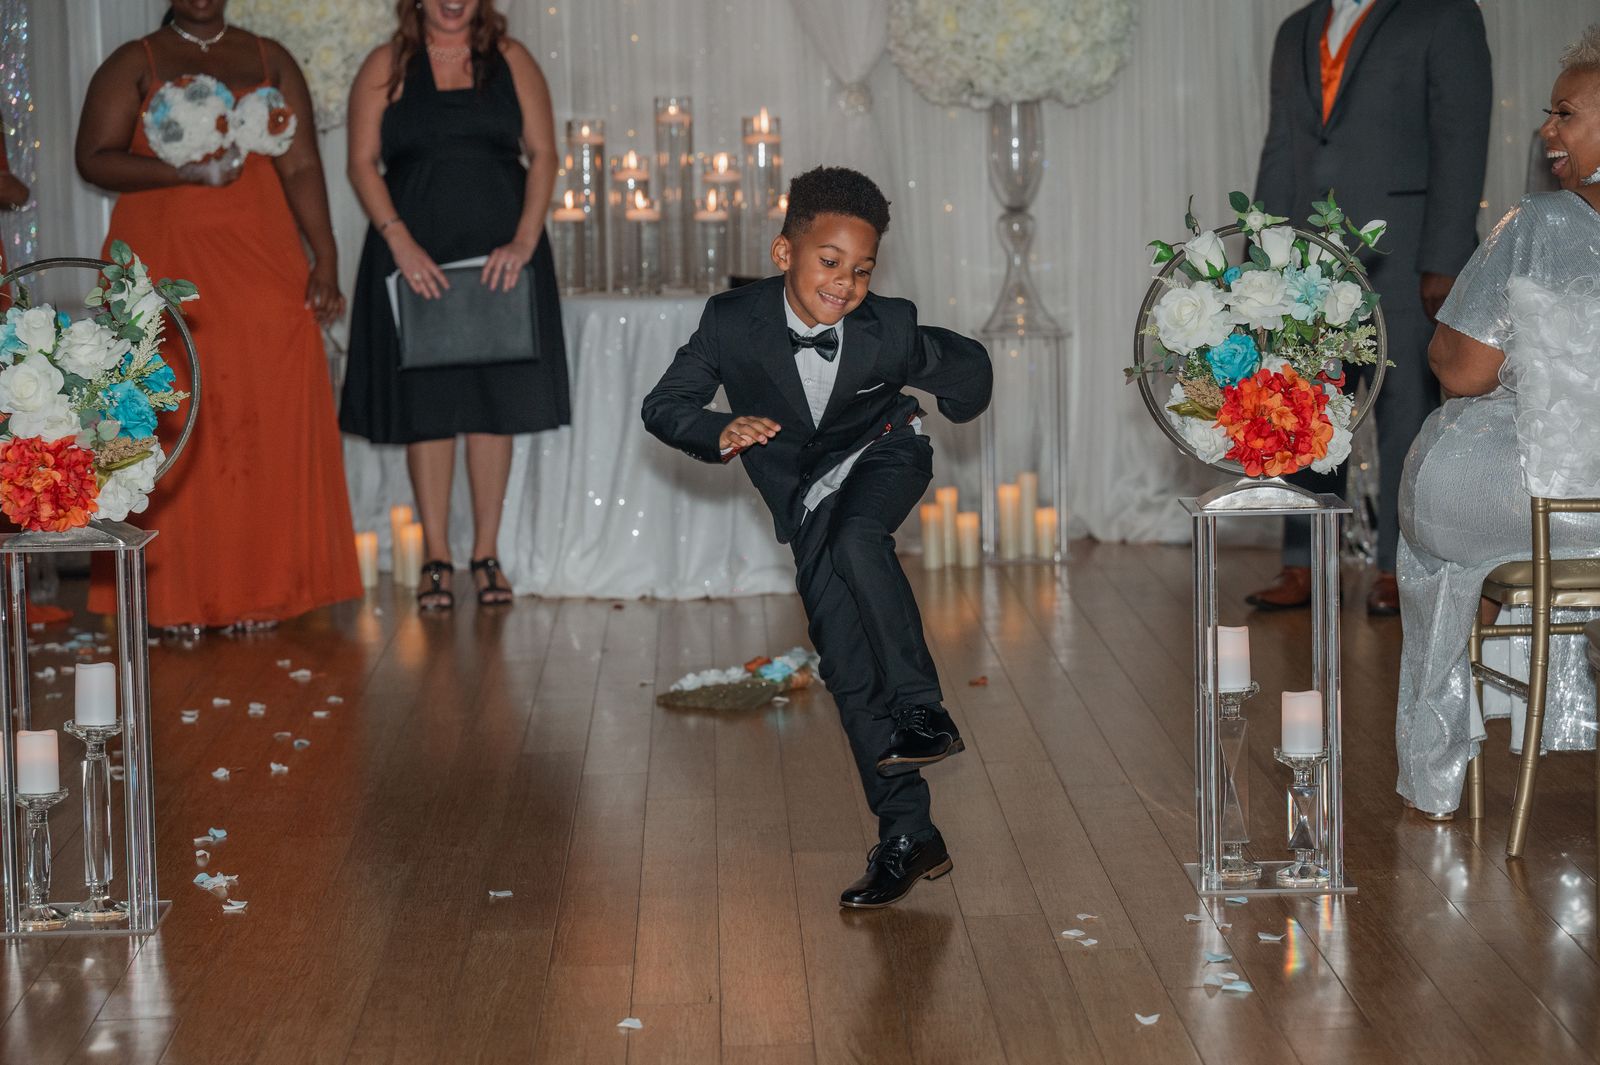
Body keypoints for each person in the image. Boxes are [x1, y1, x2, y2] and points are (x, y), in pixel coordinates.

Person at [642, 167, 993, 908]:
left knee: (860, 538)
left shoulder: (887, 328)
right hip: (807, 496)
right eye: (830, 262)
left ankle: (923, 708)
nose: (846, 283)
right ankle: (909, 834)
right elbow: (665, 404)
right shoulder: (731, 321)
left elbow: (968, 369)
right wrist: (718, 427)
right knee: (846, 667)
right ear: (784, 252)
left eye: (862, 270)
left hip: (885, 453)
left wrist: (961, 396)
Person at [74, 0, 360, 633]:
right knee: (166, 416)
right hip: (163, 261)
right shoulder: (135, 61)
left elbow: (302, 164)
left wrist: (327, 258)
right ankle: (172, 597)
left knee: (264, 411)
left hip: (263, 259)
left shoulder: (269, 58)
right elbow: (92, 157)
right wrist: (185, 170)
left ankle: (265, 589)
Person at [1395, 26, 1600, 819]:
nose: (1547, 130)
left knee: (1437, 507)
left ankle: (1441, 759)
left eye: (1566, 114)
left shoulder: (1538, 224)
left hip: (1552, 506)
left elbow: (1461, 369)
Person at [1249, 0, 1492, 616]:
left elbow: (1461, 137)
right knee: (1304, 407)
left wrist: (1445, 258)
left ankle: (1398, 564)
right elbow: (1282, 146)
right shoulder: (1296, 29)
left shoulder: (1444, 15)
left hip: (1405, 253)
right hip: (1308, 257)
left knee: (1406, 409)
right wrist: (1261, 258)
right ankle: (1305, 562)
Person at [341, 0, 569, 610]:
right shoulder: (386, 64)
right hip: (413, 252)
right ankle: (436, 558)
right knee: (429, 404)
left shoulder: (512, 59)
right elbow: (360, 163)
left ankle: (486, 555)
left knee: (495, 402)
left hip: (503, 252)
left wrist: (524, 241)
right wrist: (399, 242)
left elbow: (544, 153)